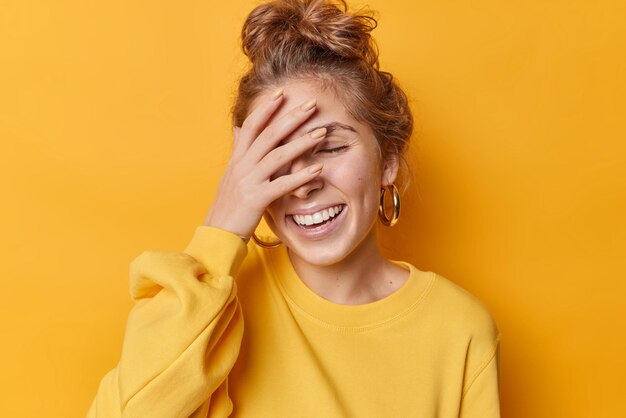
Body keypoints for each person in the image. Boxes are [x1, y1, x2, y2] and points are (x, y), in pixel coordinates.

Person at [87, 0, 501, 417]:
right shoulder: (210, 309)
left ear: (388, 159)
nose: (303, 185)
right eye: (275, 157)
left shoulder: (459, 329)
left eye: (332, 147)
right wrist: (221, 227)